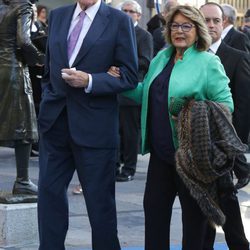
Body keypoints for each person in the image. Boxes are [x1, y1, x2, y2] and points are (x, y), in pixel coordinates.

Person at [109, 5, 234, 250]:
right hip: (161, 157)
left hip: (193, 160)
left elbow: (226, 105)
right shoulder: (161, 58)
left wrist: (190, 108)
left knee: (194, 227)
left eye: (186, 26)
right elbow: (146, 93)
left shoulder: (208, 62)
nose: (179, 31)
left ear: (197, 30)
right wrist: (121, 83)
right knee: (154, 220)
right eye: (175, 25)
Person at [37, 0, 138, 249]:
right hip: (55, 123)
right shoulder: (59, 15)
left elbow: (129, 75)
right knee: (49, 198)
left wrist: (91, 80)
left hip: (96, 127)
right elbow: (50, 67)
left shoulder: (119, 21)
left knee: (99, 204)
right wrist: (48, 96)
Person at [200, 3, 250, 250]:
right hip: (196, 148)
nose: (210, 26)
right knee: (203, 204)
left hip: (223, 149)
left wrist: (233, 149)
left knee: (226, 199)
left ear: (224, 23)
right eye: (205, 20)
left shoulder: (237, 57)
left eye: (215, 21)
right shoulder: (187, 56)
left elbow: (242, 109)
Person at [0, 0, 44, 195]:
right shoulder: (23, 6)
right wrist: (39, 59)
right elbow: (24, 41)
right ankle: (23, 180)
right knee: (24, 123)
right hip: (13, 70)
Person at [116, 0, 153, 182]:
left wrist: (121, 68)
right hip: (112, 89)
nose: (127, 13)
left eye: (131, 11)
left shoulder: (144, 35)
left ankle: (129, 168)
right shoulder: (114, 31)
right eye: (124, 10)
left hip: (132, 89)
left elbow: (146, 61)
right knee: (115, 131)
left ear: (138, 15)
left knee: (130, 133)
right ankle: (115, 165)